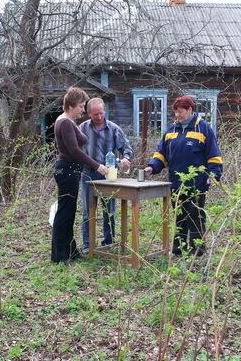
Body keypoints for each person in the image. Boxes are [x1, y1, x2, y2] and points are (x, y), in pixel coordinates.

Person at [144, 95, 223, 256]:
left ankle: (197, 252)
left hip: (197, 183)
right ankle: (178, 250)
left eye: (180, 112)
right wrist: (152, 167)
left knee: (195, 216)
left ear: (190, 110)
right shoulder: (171, 130)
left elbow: (214, 155)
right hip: (176, 183)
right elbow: (161, 154)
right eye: (175, 113)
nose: (177, 116)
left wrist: (214, 174)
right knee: (179, 217)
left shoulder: (203, 128)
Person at [51, 87, 108, 264]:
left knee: (68, 213)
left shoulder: (66, 120)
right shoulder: (66, 122)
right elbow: (75, 151)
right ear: (72, 105)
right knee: (64, 214)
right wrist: (97, 166)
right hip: (67, 170)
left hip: (69, 170)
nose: (83, 110)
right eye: (81, 106)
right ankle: (61, 256)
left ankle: (70, 251)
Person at [79, 98, 133, 252]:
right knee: (88, 211)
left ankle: (108, 243)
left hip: (109, 176)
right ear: (89, 113)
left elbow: (126, 148)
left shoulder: (114, 129)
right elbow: (77, 152)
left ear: (105, 111)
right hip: (88, 175)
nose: (99, 117)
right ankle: (87, 245)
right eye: (95, 114)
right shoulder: (82, 128)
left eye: (101, 113)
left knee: (109, 211)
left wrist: (126, 159)